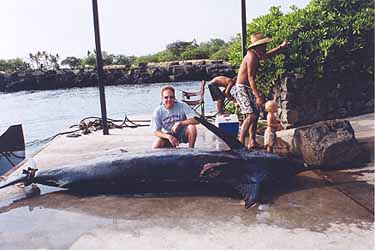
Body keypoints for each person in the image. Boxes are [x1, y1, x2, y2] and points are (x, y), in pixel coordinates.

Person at [231, 31, 288, 150]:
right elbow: (251, 78)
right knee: (251, 115)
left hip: (247, 88)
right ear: (258, 46)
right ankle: (240, 142)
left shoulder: (256, 54)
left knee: (255, 115)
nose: (265, 47)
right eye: (264, 45)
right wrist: (257, 96)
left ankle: (252, 141)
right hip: (241, 88)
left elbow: (267, 55)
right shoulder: (251, 56)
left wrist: (280, 48)